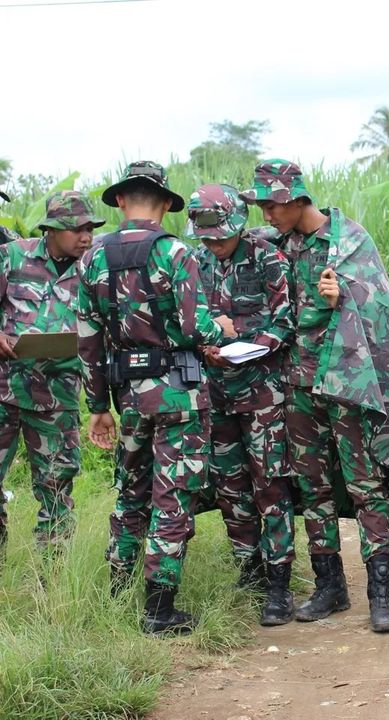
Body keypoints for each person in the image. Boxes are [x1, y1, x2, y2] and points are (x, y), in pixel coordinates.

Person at [241, 159, 389, 633]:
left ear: (298, 199)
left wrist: (342, 301)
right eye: (263, 206)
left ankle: (381, 594)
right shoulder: (272, 245)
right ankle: (329, 586)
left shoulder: (348, 240)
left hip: (346, 387)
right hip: (296, 386)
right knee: (311, 487)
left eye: (273, 205)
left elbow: (378, 310)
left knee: (365, 483)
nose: (267, 214)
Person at [78, 161, 236, 635]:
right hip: (178, 396)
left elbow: (88, 342)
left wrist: (98, 407)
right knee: (172, 500)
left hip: (129, 398)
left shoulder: (93, 259)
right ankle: (159, 610)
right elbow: (193, 327)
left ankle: (119, 594)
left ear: (122, 201)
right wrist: (221, 329)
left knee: (131, 496)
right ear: (166, 204)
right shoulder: (175, 253)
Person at [189, 184, 297, 626]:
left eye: (221, 237)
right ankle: (249, 566)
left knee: (269, 483)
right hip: (214, 393)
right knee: (230, 486)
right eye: (208, 238)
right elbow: (185, 320)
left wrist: (242, 339)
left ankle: (279, 582)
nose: (214, 245)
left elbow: (285, 321)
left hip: (262, 392)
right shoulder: (193, 263)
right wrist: (206, 344)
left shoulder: (266, 257)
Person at [0, 191, 104, 548]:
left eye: (90, 228)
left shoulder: (93, 268)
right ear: (52, 230)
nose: (86, 236)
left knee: (57, 486)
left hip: (57, 398)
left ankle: (54, 577)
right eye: (77, 229)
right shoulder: (13, 255)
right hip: (5, 389)